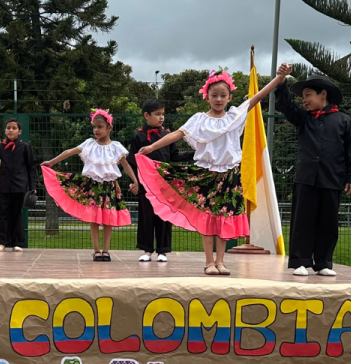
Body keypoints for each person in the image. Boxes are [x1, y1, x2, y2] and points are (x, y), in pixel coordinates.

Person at [137, 66, 288, 275]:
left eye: (223, 95)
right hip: (206, 174)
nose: (218, 99)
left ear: (229, 97)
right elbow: (178, 134)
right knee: (207, 218)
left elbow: (258, 96)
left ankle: (221, 261)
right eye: (214, 95)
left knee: (224, 218)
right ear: (206, 96)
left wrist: (279, 78)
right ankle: (209, 262)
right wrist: (153, 147)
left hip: (230, 175)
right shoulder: (199, 119)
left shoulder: (235, 115)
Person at [275, 64, 351, 277]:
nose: (304, 100)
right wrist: (282, 82)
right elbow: (286, 106)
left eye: (308, 95)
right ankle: (300, 260)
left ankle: (324, 262)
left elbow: (349, 152)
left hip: (332, 179)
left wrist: (349, 177)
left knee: (329, 222)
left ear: (323, 94)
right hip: (306, 178)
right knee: (302, 221)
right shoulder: (304, 118)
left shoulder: (343, 121)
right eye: (303, 97)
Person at [41, 109, 140, 262]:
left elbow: (126, 165)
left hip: (110, 187)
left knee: (108, 219)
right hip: (93, 186)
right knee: (94, 219)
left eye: (100, 126)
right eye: (94, 127)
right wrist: (52, 162)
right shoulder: (89, 144)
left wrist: (135, 180)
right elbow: (70, 151)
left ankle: (106, 250)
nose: (96, 130)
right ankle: (96, 250)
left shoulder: (116, 147)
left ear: (109, 128)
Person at [128, 99, 194, 262]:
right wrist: (135, 181)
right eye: (157, 114)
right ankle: (147, 250)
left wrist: (195, 154)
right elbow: (131, 160)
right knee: (146, 216)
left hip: (165, 183)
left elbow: (175, 156)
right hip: (145, 184)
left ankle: (162, 251)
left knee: (164, 216)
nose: (161, 118)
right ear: (146, 115)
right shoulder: (138, 135)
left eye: (163, 114)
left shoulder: (167, 135)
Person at [0, 118, 37, 252]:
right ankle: (1, 242)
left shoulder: (25, 147)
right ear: (5, 131)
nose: (11, 130)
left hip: (19, 186)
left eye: (14, 128)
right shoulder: (0, 147)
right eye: (8, 128)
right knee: (2, 214)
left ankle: (17, 242)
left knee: (17, 214)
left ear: (19, 131)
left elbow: (31, 167)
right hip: (4, 186)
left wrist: (32, 186)